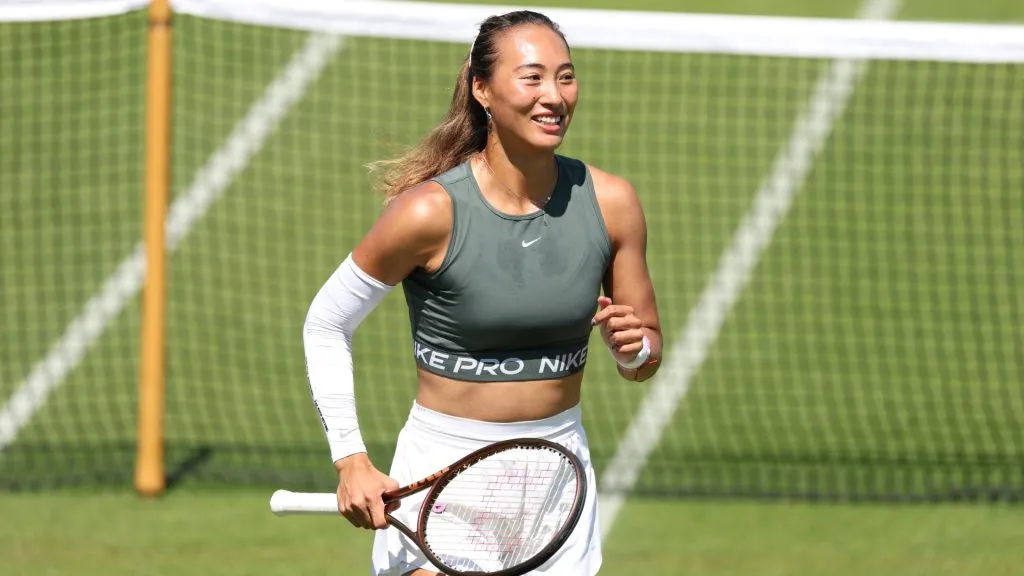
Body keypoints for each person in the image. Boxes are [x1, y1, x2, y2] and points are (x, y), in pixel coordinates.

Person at [302, 10, 662, 576]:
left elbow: (646, 355)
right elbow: (327, 322)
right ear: (482, 90)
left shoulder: (612, 203)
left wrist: (633, 349)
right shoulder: (428, 212)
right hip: (442, 481)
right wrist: (351, 460)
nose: (554, 96)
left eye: (565, 77)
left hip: (557, 488)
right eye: (532, 77)